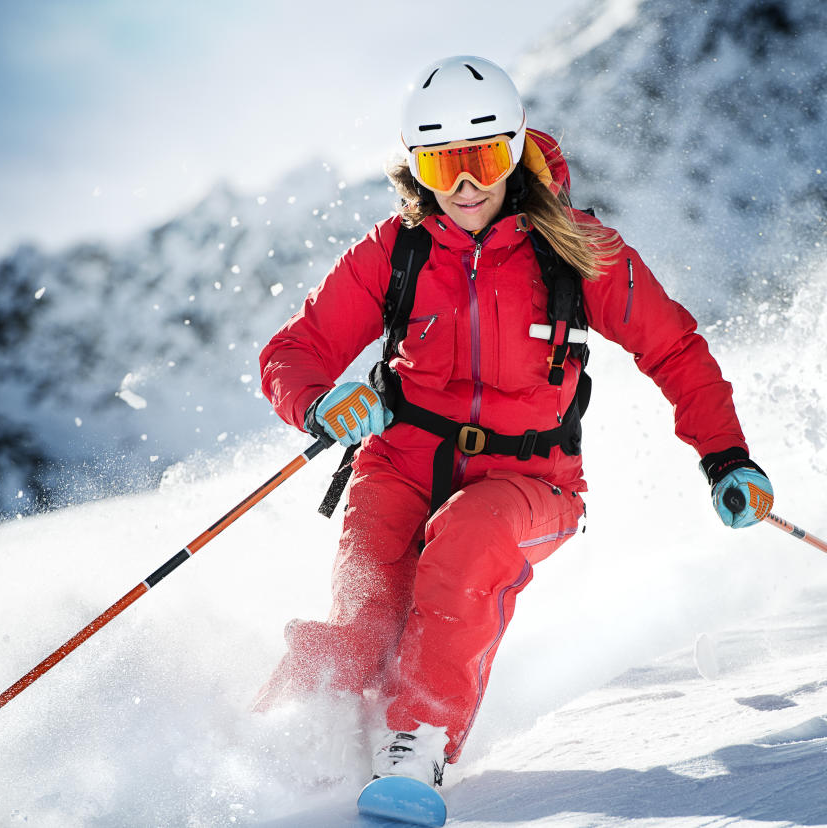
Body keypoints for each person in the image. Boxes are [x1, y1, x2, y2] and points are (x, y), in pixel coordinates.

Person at [254, 55, 774, 787]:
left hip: (530, 482)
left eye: (484, 157)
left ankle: (415, 743)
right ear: (417, 170)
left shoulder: (576, 249)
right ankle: (272, 746)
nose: (466, 186)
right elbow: (293, 350)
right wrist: (319, 401)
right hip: (399, 468)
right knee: (362, 625)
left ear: (518, 149)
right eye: (443, 166)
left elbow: (675, 350)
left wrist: (726, 456)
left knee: (468, 542)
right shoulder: (395, 251)